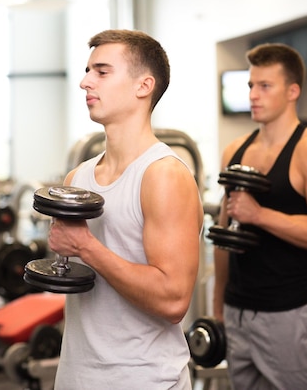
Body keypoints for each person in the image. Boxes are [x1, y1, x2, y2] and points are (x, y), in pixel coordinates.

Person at [48, 29, 204, 390]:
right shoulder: (78, 176)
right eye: (88, 70)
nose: (86, 82)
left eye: (102, 72)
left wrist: (85, 246)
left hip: (143, 379)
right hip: (76, 375)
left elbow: (173, 300)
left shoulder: (164, 175)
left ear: (143, 86)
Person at [212, 43, 307, 390]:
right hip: (238, 309)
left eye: (264, 86)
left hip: (290, 311)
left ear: (292, 91)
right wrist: (218, 305)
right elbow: (226, 234)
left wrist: (260, 215)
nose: (254, 95)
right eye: (250, 86)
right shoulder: (235, 151)